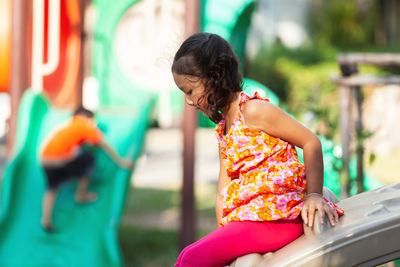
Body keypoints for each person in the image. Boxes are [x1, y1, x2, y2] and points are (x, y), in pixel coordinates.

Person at [171, 32, 344, 267]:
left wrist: (313, 196)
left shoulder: (253, 110)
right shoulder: (224, 129)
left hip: (279, 217)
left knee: (190, 258)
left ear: (216, 76)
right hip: (253, 222)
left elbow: (311, 142)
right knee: (189, 256)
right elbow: (223, 191)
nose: (189, 101)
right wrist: (224, 234)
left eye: (190, 91)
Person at [40, 106, 133, 232]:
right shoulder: (84, 124)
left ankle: (45, 219)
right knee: (88, 159)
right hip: (61, 159)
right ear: (88, 118)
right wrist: (120, 161)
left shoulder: (67, 125)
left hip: (45, 159)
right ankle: (81, 194)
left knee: (52, 188)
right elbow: (103, 143)